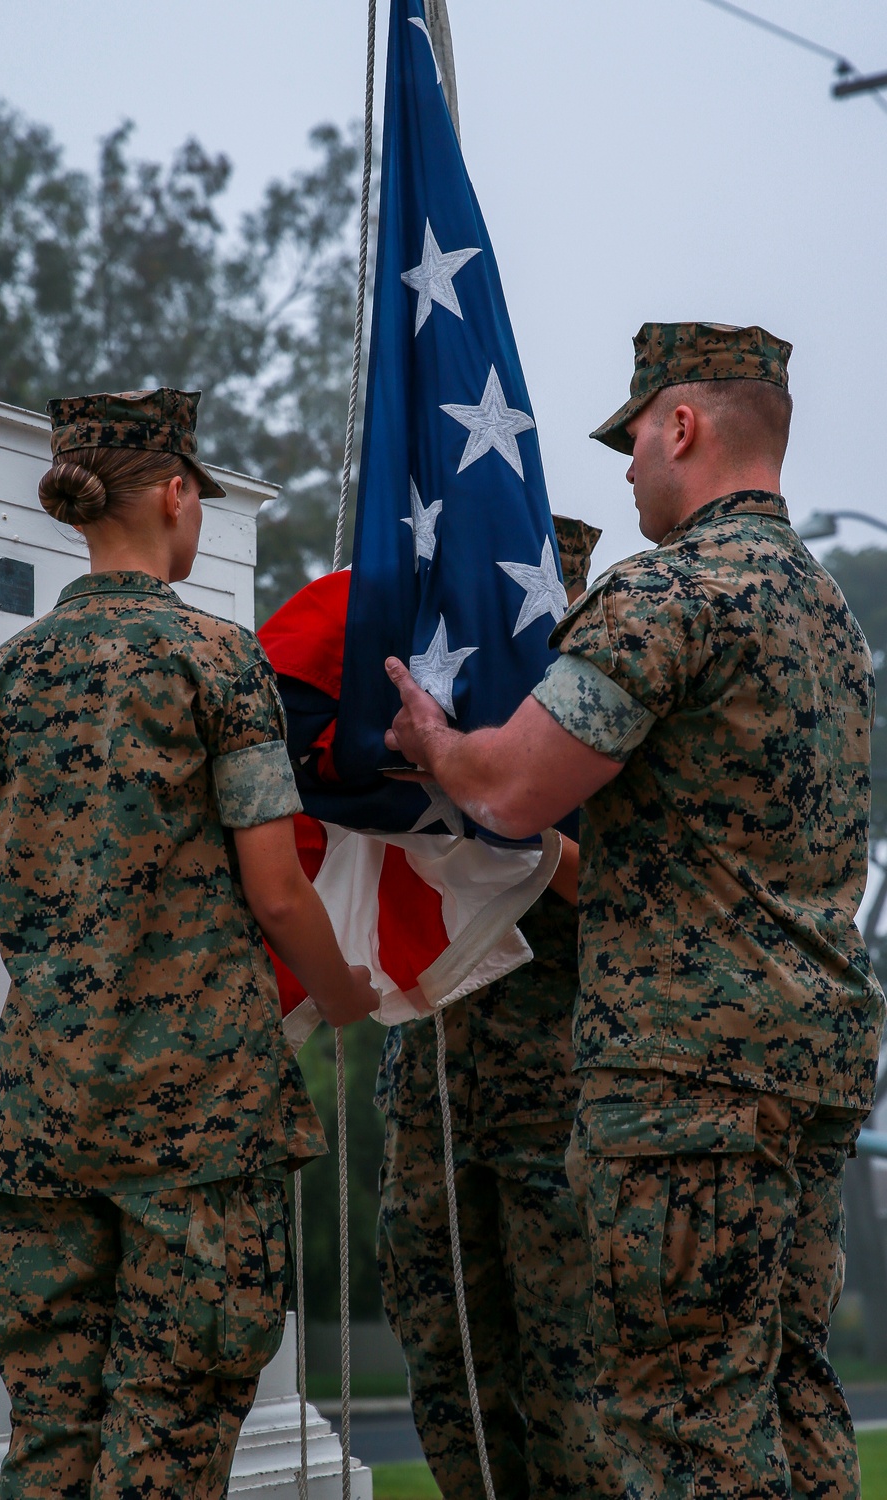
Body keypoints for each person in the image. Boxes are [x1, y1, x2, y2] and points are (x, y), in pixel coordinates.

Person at [382, 324, 886, 1499]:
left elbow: (517, 784)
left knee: (679, 1416)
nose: (624, 472)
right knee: (789, 1392)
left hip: (687, 1082)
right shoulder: (825, 614)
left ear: (682, 424)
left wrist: (433, 746)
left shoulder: (670, 592)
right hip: (810, 1064)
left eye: (632, 440)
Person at [0, 387, 377, 1500]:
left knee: (47, 1448)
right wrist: (342, 998)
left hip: (39, 1115)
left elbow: (2, 900)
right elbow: (279, 894)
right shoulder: (215, 662)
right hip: (197, 1126)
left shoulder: (0, 679)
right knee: (167, 1453)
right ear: (178, 494)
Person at [376, 515, 622, 1499]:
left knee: (574, 1385)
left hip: (557, 1099)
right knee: (448, 1373)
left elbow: (644, 904)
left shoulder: (607, 722)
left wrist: (532, 839)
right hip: (435, 1093)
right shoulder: (439, 721)